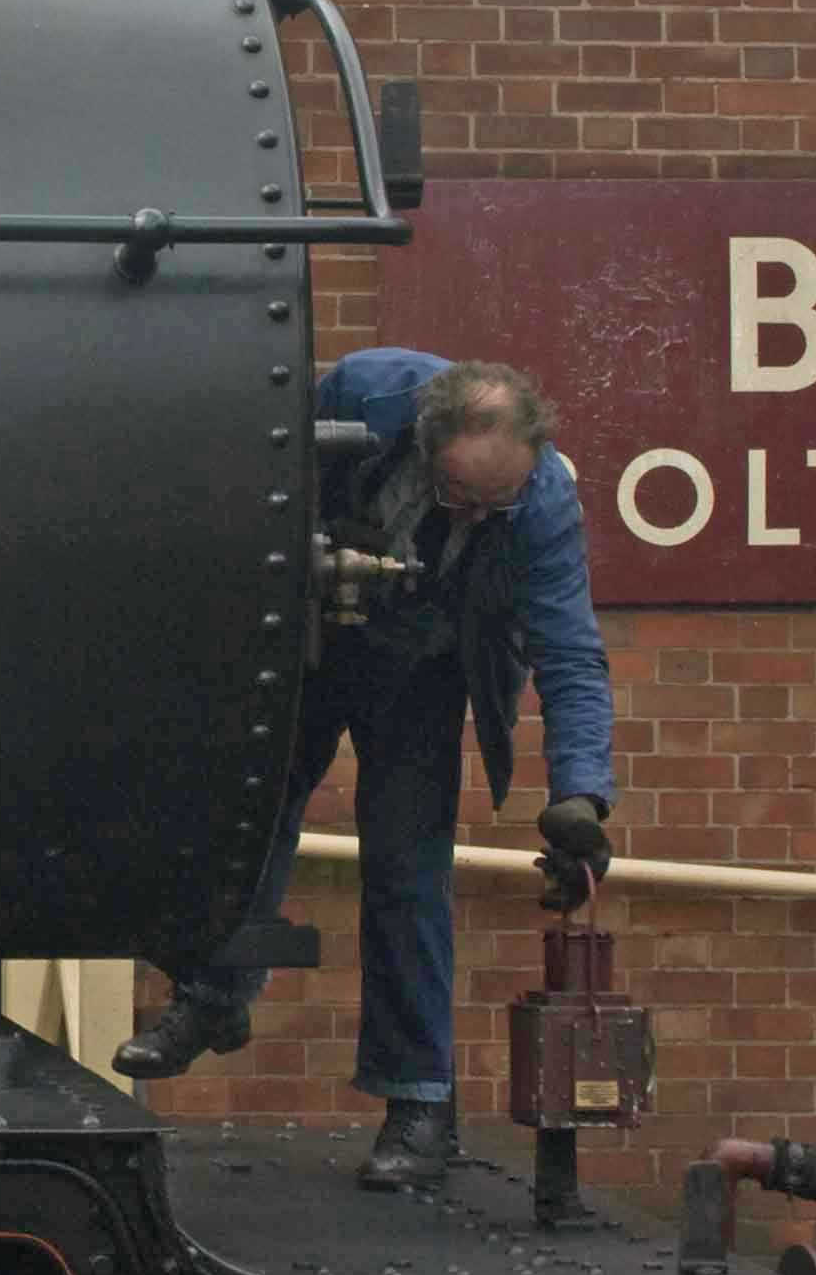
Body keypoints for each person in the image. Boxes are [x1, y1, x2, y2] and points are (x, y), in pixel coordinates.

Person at [115, 350, 615, 1188]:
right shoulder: (361, 397)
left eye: (497, 504)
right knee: (246, 811)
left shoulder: (539, 503)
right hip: (304, 644)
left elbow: (570, 653)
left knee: (407, 872)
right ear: (423, 444)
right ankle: (212, 993)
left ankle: (417, 1105)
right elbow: (261, 498)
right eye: (459, 497)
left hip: (421, 670)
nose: (476, 517)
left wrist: (582, 797)